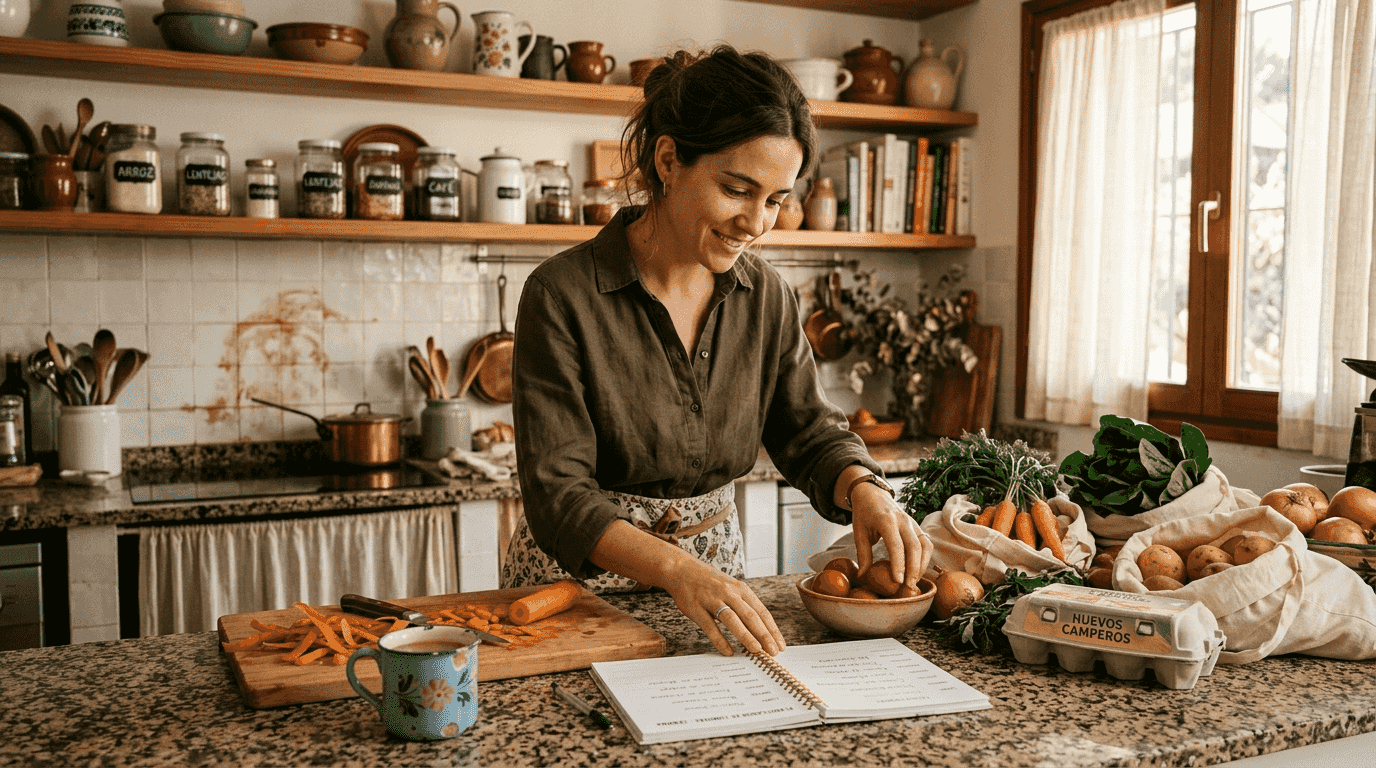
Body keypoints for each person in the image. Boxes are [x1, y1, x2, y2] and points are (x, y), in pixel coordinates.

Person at [504, 45, 932, 658]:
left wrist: (863, 487)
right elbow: (559, 496)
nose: (756, 222)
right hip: (574, 596)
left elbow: (808, 433)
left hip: (717, 586)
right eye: (737, 189)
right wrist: (677, 569)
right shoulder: (561, 295)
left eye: (777, 199)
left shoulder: (768, 298)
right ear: (670, 159)